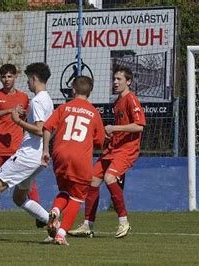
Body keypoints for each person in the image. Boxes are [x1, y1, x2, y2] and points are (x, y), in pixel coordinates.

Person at [0, 62, 54, 242]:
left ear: (34, 78)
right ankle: (52, 222)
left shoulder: (37, 100)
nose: (27, 83)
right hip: (37, 154)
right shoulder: (48, 99)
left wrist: (17, 121)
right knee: (19, 198)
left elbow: (40, 129)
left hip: (27, 154)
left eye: (28, 79)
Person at [69, 65, 146, 238]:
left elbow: (139, 126)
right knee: (92, 181)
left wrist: (113, 128)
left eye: (119, 79)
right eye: (114, 79)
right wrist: (112, 135)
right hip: (113, 149)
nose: (115, 82)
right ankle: (88, 225)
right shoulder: (118, 101)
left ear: (129, 81)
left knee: (109, 178)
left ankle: (123, 222)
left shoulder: (131, 99)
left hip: (127, 150)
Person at [41, 76, 105, 245]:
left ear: (73, 90)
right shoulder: (94, 112)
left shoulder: (63, 108)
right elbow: (99, 141)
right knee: (77, 197)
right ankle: (61, 234)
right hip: (80, 158)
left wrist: (45, 150)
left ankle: (55, 210)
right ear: (90, 92)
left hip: (59, 154)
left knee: (64, 191)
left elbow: (47, 127)